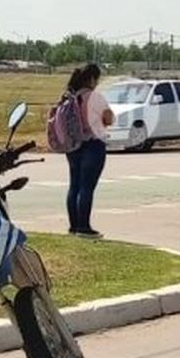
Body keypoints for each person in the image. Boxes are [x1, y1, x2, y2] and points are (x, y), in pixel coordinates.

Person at [62, 64, 113, 239]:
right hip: (93, 144)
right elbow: (109, 118)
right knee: (87, 187)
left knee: (74, 185)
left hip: (73, 146)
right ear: (91, 79)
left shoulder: (70, 96)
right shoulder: (95, 97)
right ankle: (84, 226)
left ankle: (74, 225)